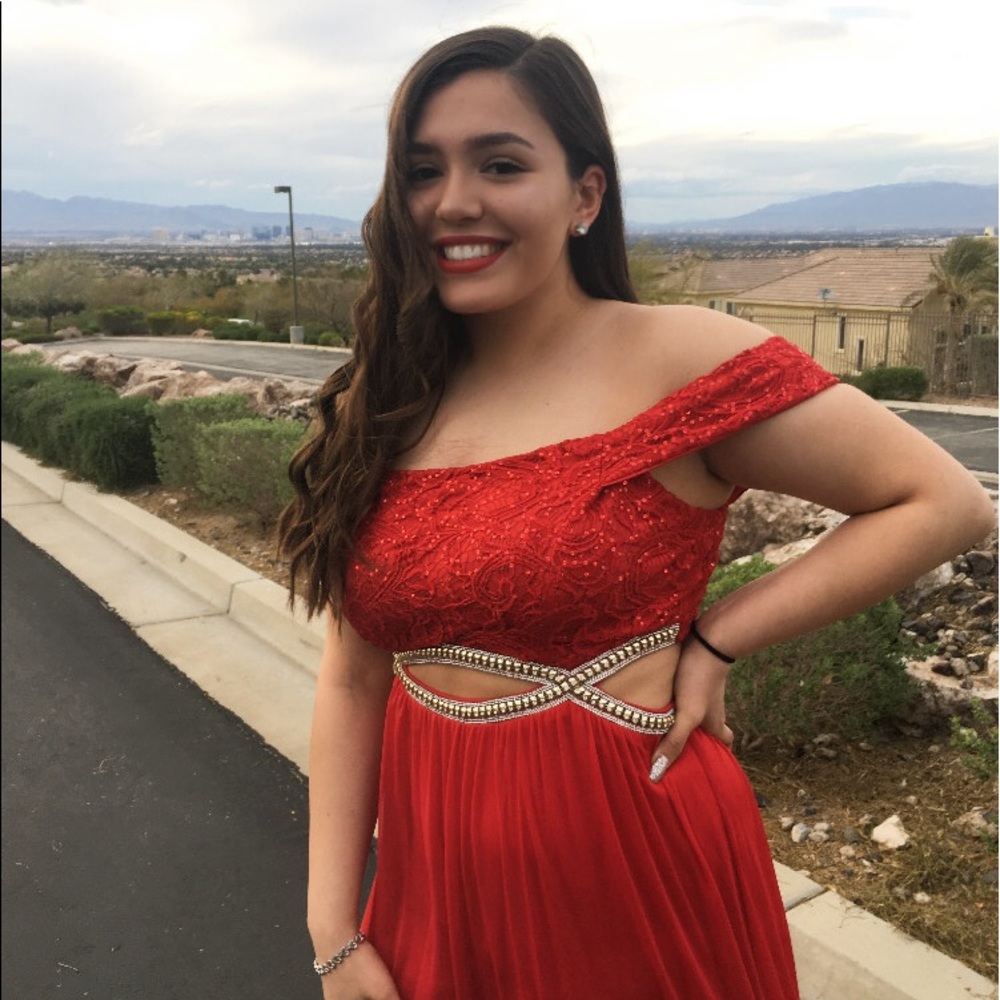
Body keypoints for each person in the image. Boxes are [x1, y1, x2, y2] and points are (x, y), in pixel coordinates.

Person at [277, 26, 995, 1000]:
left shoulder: (680, 360)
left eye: (499, 163)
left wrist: (719, 638)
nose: (454, 200)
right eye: (422, 169)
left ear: (584, 195)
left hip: (633, 864)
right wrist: (333, 928)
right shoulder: (390, 396)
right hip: (433, 880)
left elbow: (939, 500)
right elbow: (354, 677)